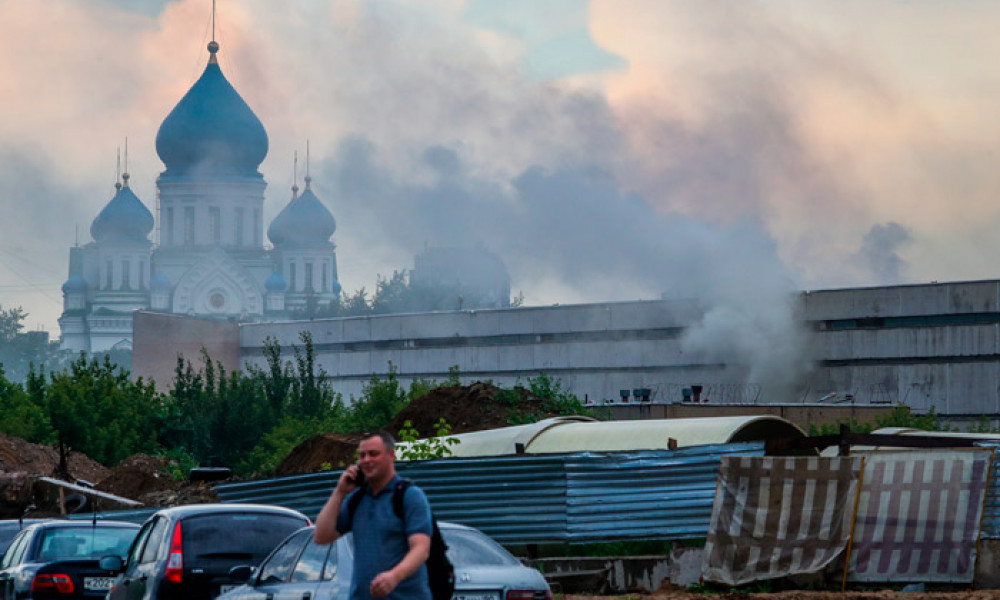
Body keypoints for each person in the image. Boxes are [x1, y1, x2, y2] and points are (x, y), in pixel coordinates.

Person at [314, 431, 432, 600]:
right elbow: (321, 537)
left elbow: (421, 549)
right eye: (362, 455)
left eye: (373, 454)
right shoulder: (357, 499)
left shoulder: (409, 496)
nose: (367, 460)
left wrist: (394, 576)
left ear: (391, 455)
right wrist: (339, 492)